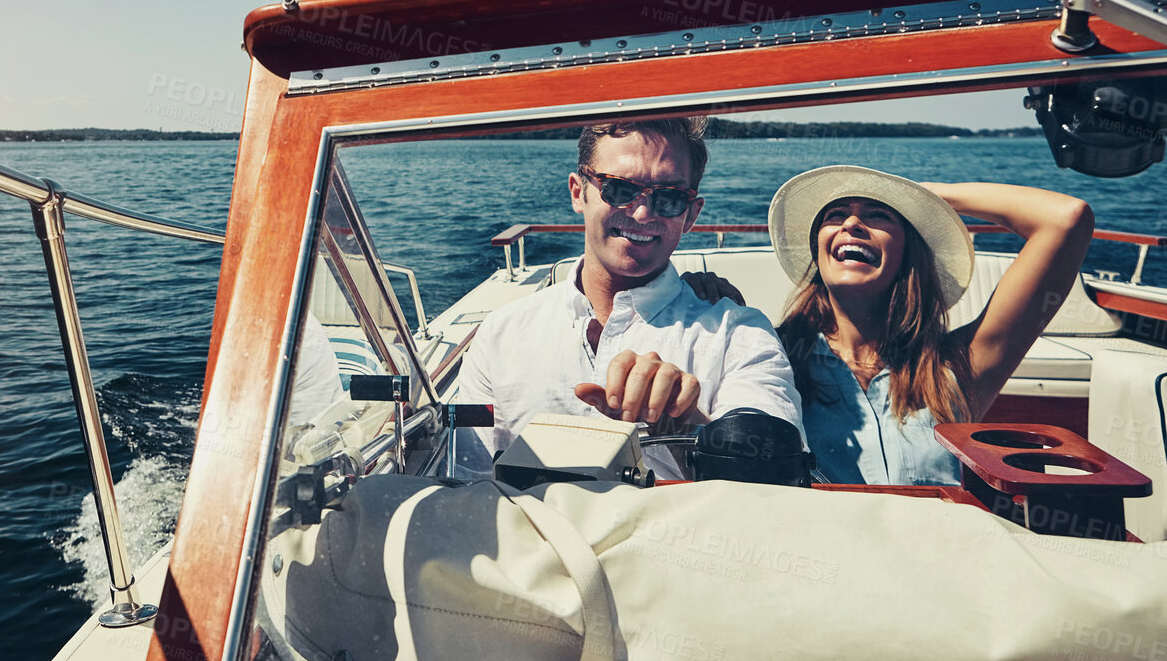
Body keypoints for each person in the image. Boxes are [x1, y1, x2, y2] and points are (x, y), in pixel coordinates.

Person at [457, 117, 803, 479]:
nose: (642, 213)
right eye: (619, 189)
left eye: (669, 198)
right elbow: (470, 478)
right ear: (579, 192)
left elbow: (769, 482)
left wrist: (682, 426)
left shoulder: (740, 335)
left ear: (690, 215)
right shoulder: (500, 334)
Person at [767, 166, 1094, 485]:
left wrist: (926, 197)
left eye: (879, 215)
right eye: (835, 214)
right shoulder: (774, 357)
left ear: (909, 253)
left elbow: (1067, 218)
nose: (852, 223)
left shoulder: (957, 365)